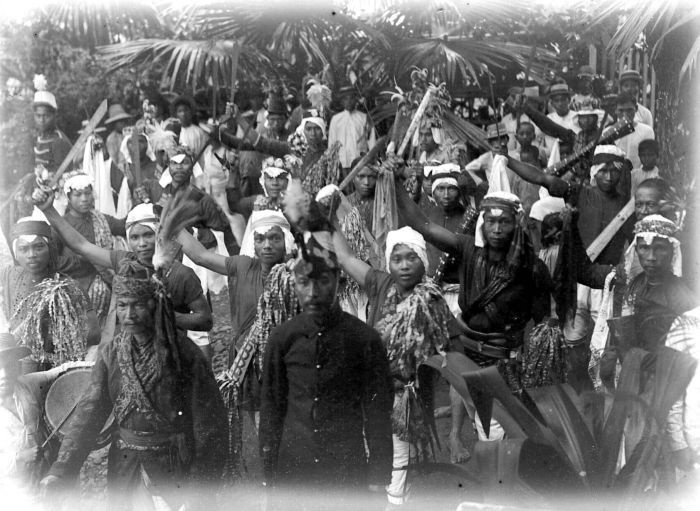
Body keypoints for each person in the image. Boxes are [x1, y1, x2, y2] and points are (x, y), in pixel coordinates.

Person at [39, 258, 227, 510]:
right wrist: (61, 470)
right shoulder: (111, 353)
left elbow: (209, 426)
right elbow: (90, 412)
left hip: (173, 470)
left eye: (138, 305)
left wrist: (198, 492)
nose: (129, 315)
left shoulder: (184, 354)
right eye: (122, 305)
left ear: (154, 304)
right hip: (125, 469)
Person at [259, 230, 393, 503]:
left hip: (345, 469)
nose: (312, 293)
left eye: (322, 282)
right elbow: (272, 407)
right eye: (303, 282)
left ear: (339, 283)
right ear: (294, 284)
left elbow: (378, 412)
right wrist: (269, 473)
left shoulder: (364, 339)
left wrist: (378, 477)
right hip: (295, 467)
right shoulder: (282, 338)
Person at [333, 224, 451, 505]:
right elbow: (346, 258)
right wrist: (325, 219)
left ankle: (395, 502)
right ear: (389, 263)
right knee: (374, 449)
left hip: (404, 397)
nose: (405, 266)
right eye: (397, 259)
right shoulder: (381, 284)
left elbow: (448, 345)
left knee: (398, 457)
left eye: (412, 258)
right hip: (372, 391)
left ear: (423, 261)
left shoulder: (432, 299)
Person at [31, 192, 213, 345]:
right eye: (134, 237)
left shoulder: (181, 274)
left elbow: (205, 320)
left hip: (169, 351)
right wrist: (48, 210)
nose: (141, 243)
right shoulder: (124, 261)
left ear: (159, 234)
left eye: (148, 235)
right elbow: (82, 246)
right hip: (126, 351)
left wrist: (165, 316)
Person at [60, 173, 126, 320]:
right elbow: (52, 260)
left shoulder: (101, 219)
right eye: (78, 195)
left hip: (106, 287)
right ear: (69, 197)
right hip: (74, 289)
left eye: (87, 193)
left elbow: (123, 226)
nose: (84, 199)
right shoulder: (61, 225)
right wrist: (78, 260)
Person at [328, 86, 375, 175]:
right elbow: (331, 144)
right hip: (341, 163)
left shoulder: (364, 118)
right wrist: (332, 165)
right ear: (342, 101)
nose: (349, 101)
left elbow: (371, 142)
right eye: (346, 99)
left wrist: (371, 160)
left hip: (359, 162)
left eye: (352, 98)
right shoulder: (336, 119)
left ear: (356, 99)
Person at [32, 76, 72, 174]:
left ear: (54, 115)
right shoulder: (41, 137)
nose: (42, 120)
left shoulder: (58, 141)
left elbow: (64, 176)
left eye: (46, 116)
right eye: (38, 116)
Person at [613, 93, 655, 171]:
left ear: (636, 109)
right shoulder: (608, 133)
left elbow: (649, 160)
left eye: (629, 110)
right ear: (615, 110)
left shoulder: (646, 131)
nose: (625, 114)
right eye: (621, 110)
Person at [171, 95, 209, 160]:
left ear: (191, 112)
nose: (183, 114)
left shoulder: (199, 132)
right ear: (176, 114)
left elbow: (206, 153)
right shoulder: (174, 133)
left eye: (186, 110)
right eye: (180, 111)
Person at [346, 158, 379, 230]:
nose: (366, 182)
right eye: (361, 176)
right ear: (352, 178)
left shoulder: (381, 204)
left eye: (371, 177)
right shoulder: (344, 203)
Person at [104, 104, 132, 173]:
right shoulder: (112, 139)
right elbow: (113, 161)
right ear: (114, 124)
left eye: (124, 120)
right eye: (120, 121)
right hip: (122, 170)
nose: (123, 123)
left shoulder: (129, 134)